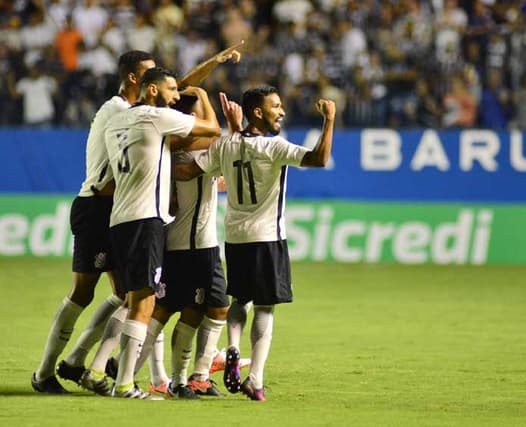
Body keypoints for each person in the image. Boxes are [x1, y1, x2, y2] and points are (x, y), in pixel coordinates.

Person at [173, 86, 336, 401]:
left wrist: (155, 167)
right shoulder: (274, 147)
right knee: (265, 305)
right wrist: (328, 120)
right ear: (258, 112)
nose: (282, 111)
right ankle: (255, 378)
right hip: (267, 238)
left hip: (235, 238)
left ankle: (233, 345)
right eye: (276, 106)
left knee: (239, 299)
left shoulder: (227, 145)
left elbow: (190, 170)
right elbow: (318, 158)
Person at [31, 50, 155, 394]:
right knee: (83, 293)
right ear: (133, 77)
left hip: (118, 211)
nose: (156, 82)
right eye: (150, 74)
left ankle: (76, 362)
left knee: (126, 295)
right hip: (95, 208)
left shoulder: (138, 112)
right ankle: (43, 374)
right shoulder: (116, 110)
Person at [104, 66, 220, 399]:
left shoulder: (117, 122)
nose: (176, 95)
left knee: (135, 300)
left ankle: (120, 372)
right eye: (171, 89)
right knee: (145, 303)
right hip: (145, 220)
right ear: (152, 90)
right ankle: (124, 382)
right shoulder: (155, 117)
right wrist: (203, 97)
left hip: (120, 218)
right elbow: (212, 129)